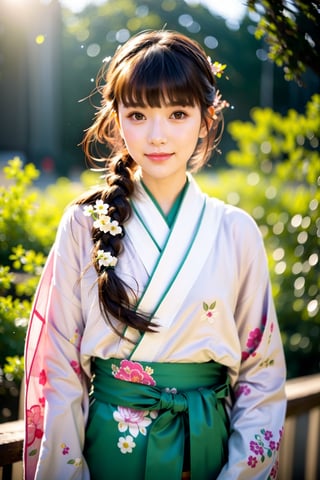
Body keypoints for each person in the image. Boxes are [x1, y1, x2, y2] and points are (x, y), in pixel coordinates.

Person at [24, 30, 287, 480]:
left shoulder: (235, 230)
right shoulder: (85, 223)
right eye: (139, 114)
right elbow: (58, 366)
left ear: (207, 118)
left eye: (178, 113)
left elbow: (261, 373)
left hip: (207, 448)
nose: (157, 135)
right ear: (117, 118)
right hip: (109, 448)